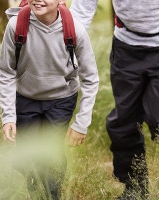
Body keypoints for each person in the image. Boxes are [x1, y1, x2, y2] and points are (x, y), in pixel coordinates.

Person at [0, 0, 99, 199]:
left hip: (61, 99)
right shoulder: (16, 26)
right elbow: (6, 72)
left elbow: (90, 78)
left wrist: (81, 123)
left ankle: (53, 195)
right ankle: (36, 192)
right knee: (28, 157)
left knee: (52, 153)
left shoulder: (75, 30)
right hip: (26, 98)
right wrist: (8, 116)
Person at [70, 0, 159, 199]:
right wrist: (69, 51)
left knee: (157, 116)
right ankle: (135, 188)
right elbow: (82, 8)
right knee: (124, 122)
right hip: (126, 48)